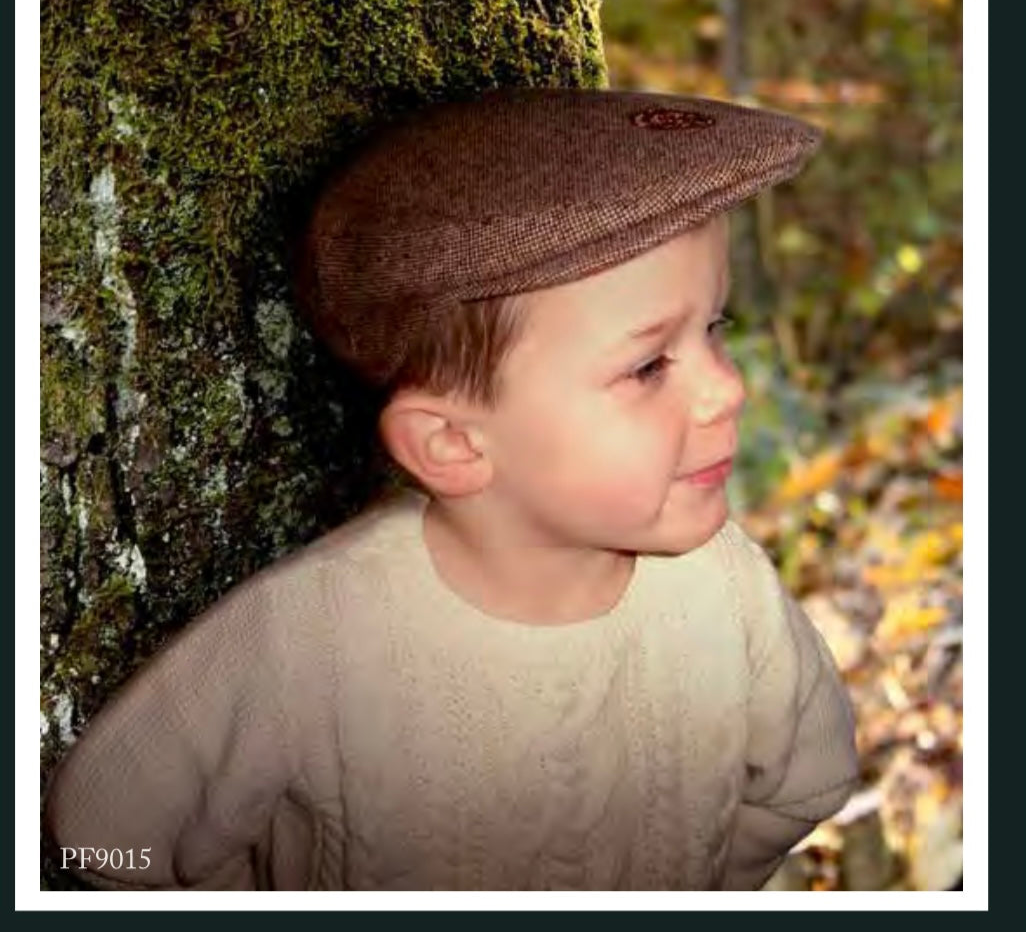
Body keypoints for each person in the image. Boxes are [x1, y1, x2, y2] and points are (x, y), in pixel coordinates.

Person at [45, 87, 858, 891]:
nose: (727, 389)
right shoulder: (315, 639)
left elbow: (806, 782)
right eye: (648, 366)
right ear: (453, 444)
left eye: (715, 329)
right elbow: (108, 832)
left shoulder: (729, 591)